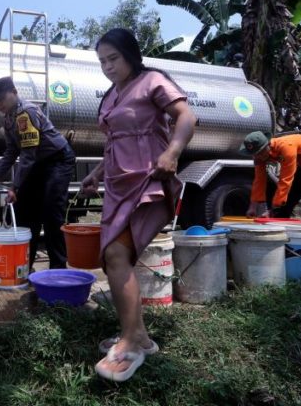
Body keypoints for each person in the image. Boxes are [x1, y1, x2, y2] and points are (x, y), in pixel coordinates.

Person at [80, 28, 196, 382]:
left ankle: (130, 341)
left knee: (116, 255)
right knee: (120, 257)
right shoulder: (110, 96)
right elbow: (115, 140)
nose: (108, 66)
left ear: (130, 54)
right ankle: (141, 337)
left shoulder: (152, 81)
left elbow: (187, 117)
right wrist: (96, 174)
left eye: (113, 58)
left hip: (147, 178)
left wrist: (172, 152)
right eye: (102, 61)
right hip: (116, 184)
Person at [0, 76, 76, 270]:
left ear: (14, 93)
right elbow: (11, 151)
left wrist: (15, 187)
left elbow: (28, 155)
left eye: (2, 99)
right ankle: (25, 267)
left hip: (57, 160)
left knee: (51, 213)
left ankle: (58, 270)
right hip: (39, 163)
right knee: (25, 213)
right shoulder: (9, 117)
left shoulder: (26, 113)